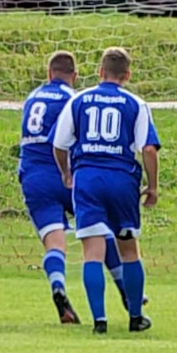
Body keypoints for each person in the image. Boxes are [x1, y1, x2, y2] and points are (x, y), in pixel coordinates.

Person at [18, 51, 149, 324]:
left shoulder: (32, 98)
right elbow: (65, 142)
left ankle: (58, 285)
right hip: (72, 176)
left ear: (48, 73)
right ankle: (127, 293)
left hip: (34, 177)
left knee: (55, 243)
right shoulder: (73, 99)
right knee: (102, 232)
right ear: (74, 76)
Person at [53, 47, 160, 335]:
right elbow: (148, 148)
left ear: (100, 72)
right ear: (127, 75)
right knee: (128, 249)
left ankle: (99, 321)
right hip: (122, 180)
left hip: (88, 178)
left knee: (92, 252)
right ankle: (135, 317)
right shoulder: (136, 103)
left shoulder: (79, 100)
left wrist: (66, 172)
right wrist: (153, 185)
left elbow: (60, 144)